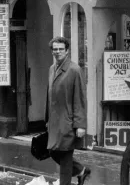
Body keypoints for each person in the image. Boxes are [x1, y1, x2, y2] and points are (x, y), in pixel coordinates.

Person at [46, 36, 91, 185]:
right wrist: (47, 119)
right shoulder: (52, 69)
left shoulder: (74, 70)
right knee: (52, 151)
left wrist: (81, 125)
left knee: (65, 157)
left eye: (60, 49)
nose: (57, 52)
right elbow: (49, 96)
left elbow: (80, 99)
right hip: (54, 122)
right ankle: (81, 170)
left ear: (67, 51)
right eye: (55, 49)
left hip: (68, 122)